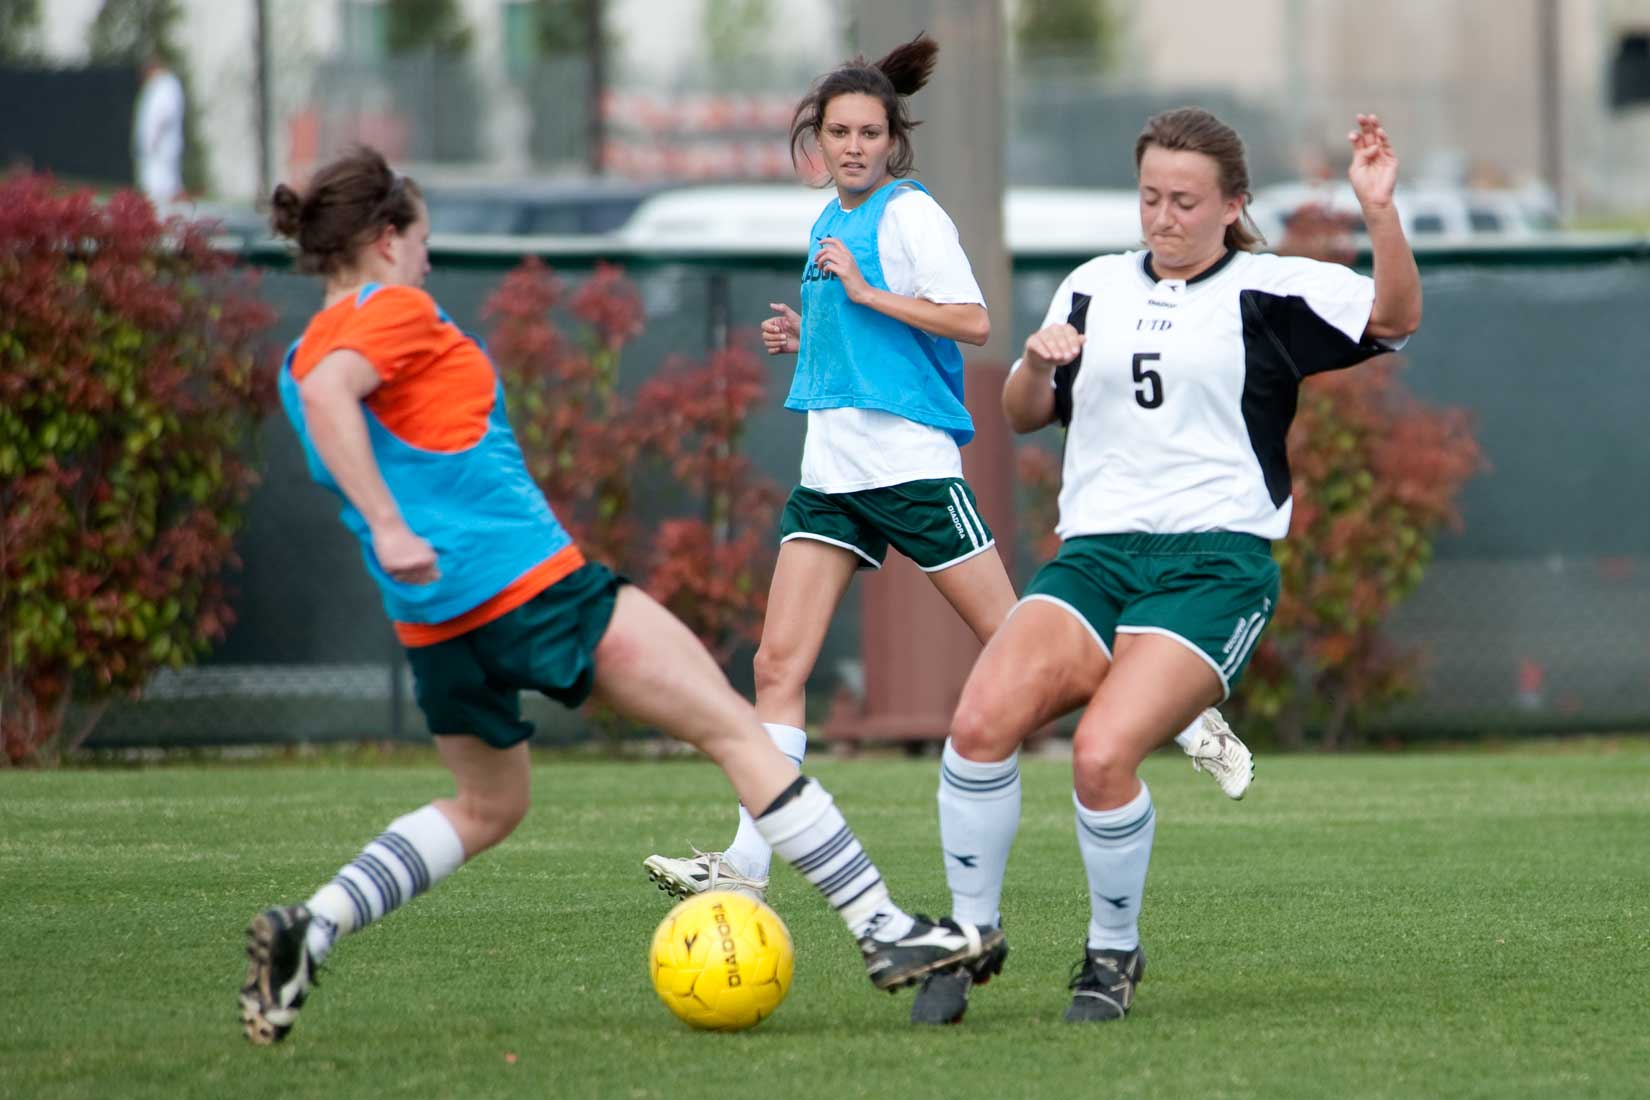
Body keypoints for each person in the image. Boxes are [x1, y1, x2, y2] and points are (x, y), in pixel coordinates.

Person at [238, 146, 1002, 1046]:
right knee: (736, 726)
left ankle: (313, 925)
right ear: (383, 239)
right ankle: (884, 928)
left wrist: (395, 535)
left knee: (488, 806)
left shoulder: (298, 353)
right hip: (528, 587)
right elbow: (335, 394)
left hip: (434, 620)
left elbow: (328, 396)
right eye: (423, 241)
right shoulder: (387, 310)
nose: (429, 262)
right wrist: (389, 524)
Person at [641, 36, 1255, 941]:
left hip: (910, 468)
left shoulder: (911, 215)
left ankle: (1188, 713)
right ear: (817, 139)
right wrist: (807, 334)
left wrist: (863, 294)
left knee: (1022, 647)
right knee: (777, 666)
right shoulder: (828, 221)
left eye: (870, 133)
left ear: (894, 142)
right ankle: (748, 863)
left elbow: (971, 320)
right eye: (840, 132)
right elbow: (864, 337)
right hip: (832, 472)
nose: (854, 146)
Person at [925, 108, 1422, 1026]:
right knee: (980, 722)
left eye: (1185, 201)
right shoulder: (1093, 285)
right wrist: (1033, 362)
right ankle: (969, 935)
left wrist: (1379, 209)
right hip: (1095, 558)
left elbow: (1396, 318)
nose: (1163, 216)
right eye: (1150, 196)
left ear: (1232, 205)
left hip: (1214, 566)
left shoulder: (1270, 289)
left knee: (1102, 753)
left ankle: (1112, 953)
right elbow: (1024, 413)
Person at [132, 50, 185, 206]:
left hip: (161, 146)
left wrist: (155, 138)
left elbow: (164, 114)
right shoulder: (156, 86)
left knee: (162, 185)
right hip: (155, 147)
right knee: (154, 184)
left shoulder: (166, 85)